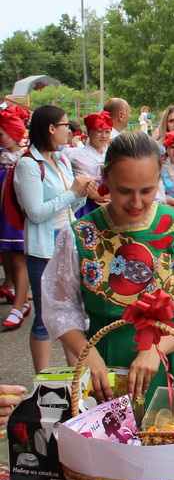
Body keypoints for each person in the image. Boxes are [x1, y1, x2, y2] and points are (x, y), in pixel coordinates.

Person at [42, 131, 174, 403]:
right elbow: (60, 308)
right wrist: (88, 356)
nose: (136, 203)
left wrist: (157, 349)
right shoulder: (79, 234)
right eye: (124, 191)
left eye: (147, 191)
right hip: (106, 364)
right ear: (105, 179)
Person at [13, 106, 92, 366]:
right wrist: (73, 192)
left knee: (73, 315)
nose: (68, 130)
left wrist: (82, 192)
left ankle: (75, 381)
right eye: (64, 125)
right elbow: (35, 213)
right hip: (43, 247)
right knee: (45, 317)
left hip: (68, 239)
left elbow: (72, 207)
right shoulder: (28, 164)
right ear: (50, 128)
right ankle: (43, 384)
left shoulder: (61, 160)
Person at [0, 105, 29, 331]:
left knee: (20, 258)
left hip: (17, 214)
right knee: (8, 255)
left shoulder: (25, 157)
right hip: (3, 215)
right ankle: (10, 288)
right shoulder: (2, 156)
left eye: (2, 134)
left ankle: (19, 306)